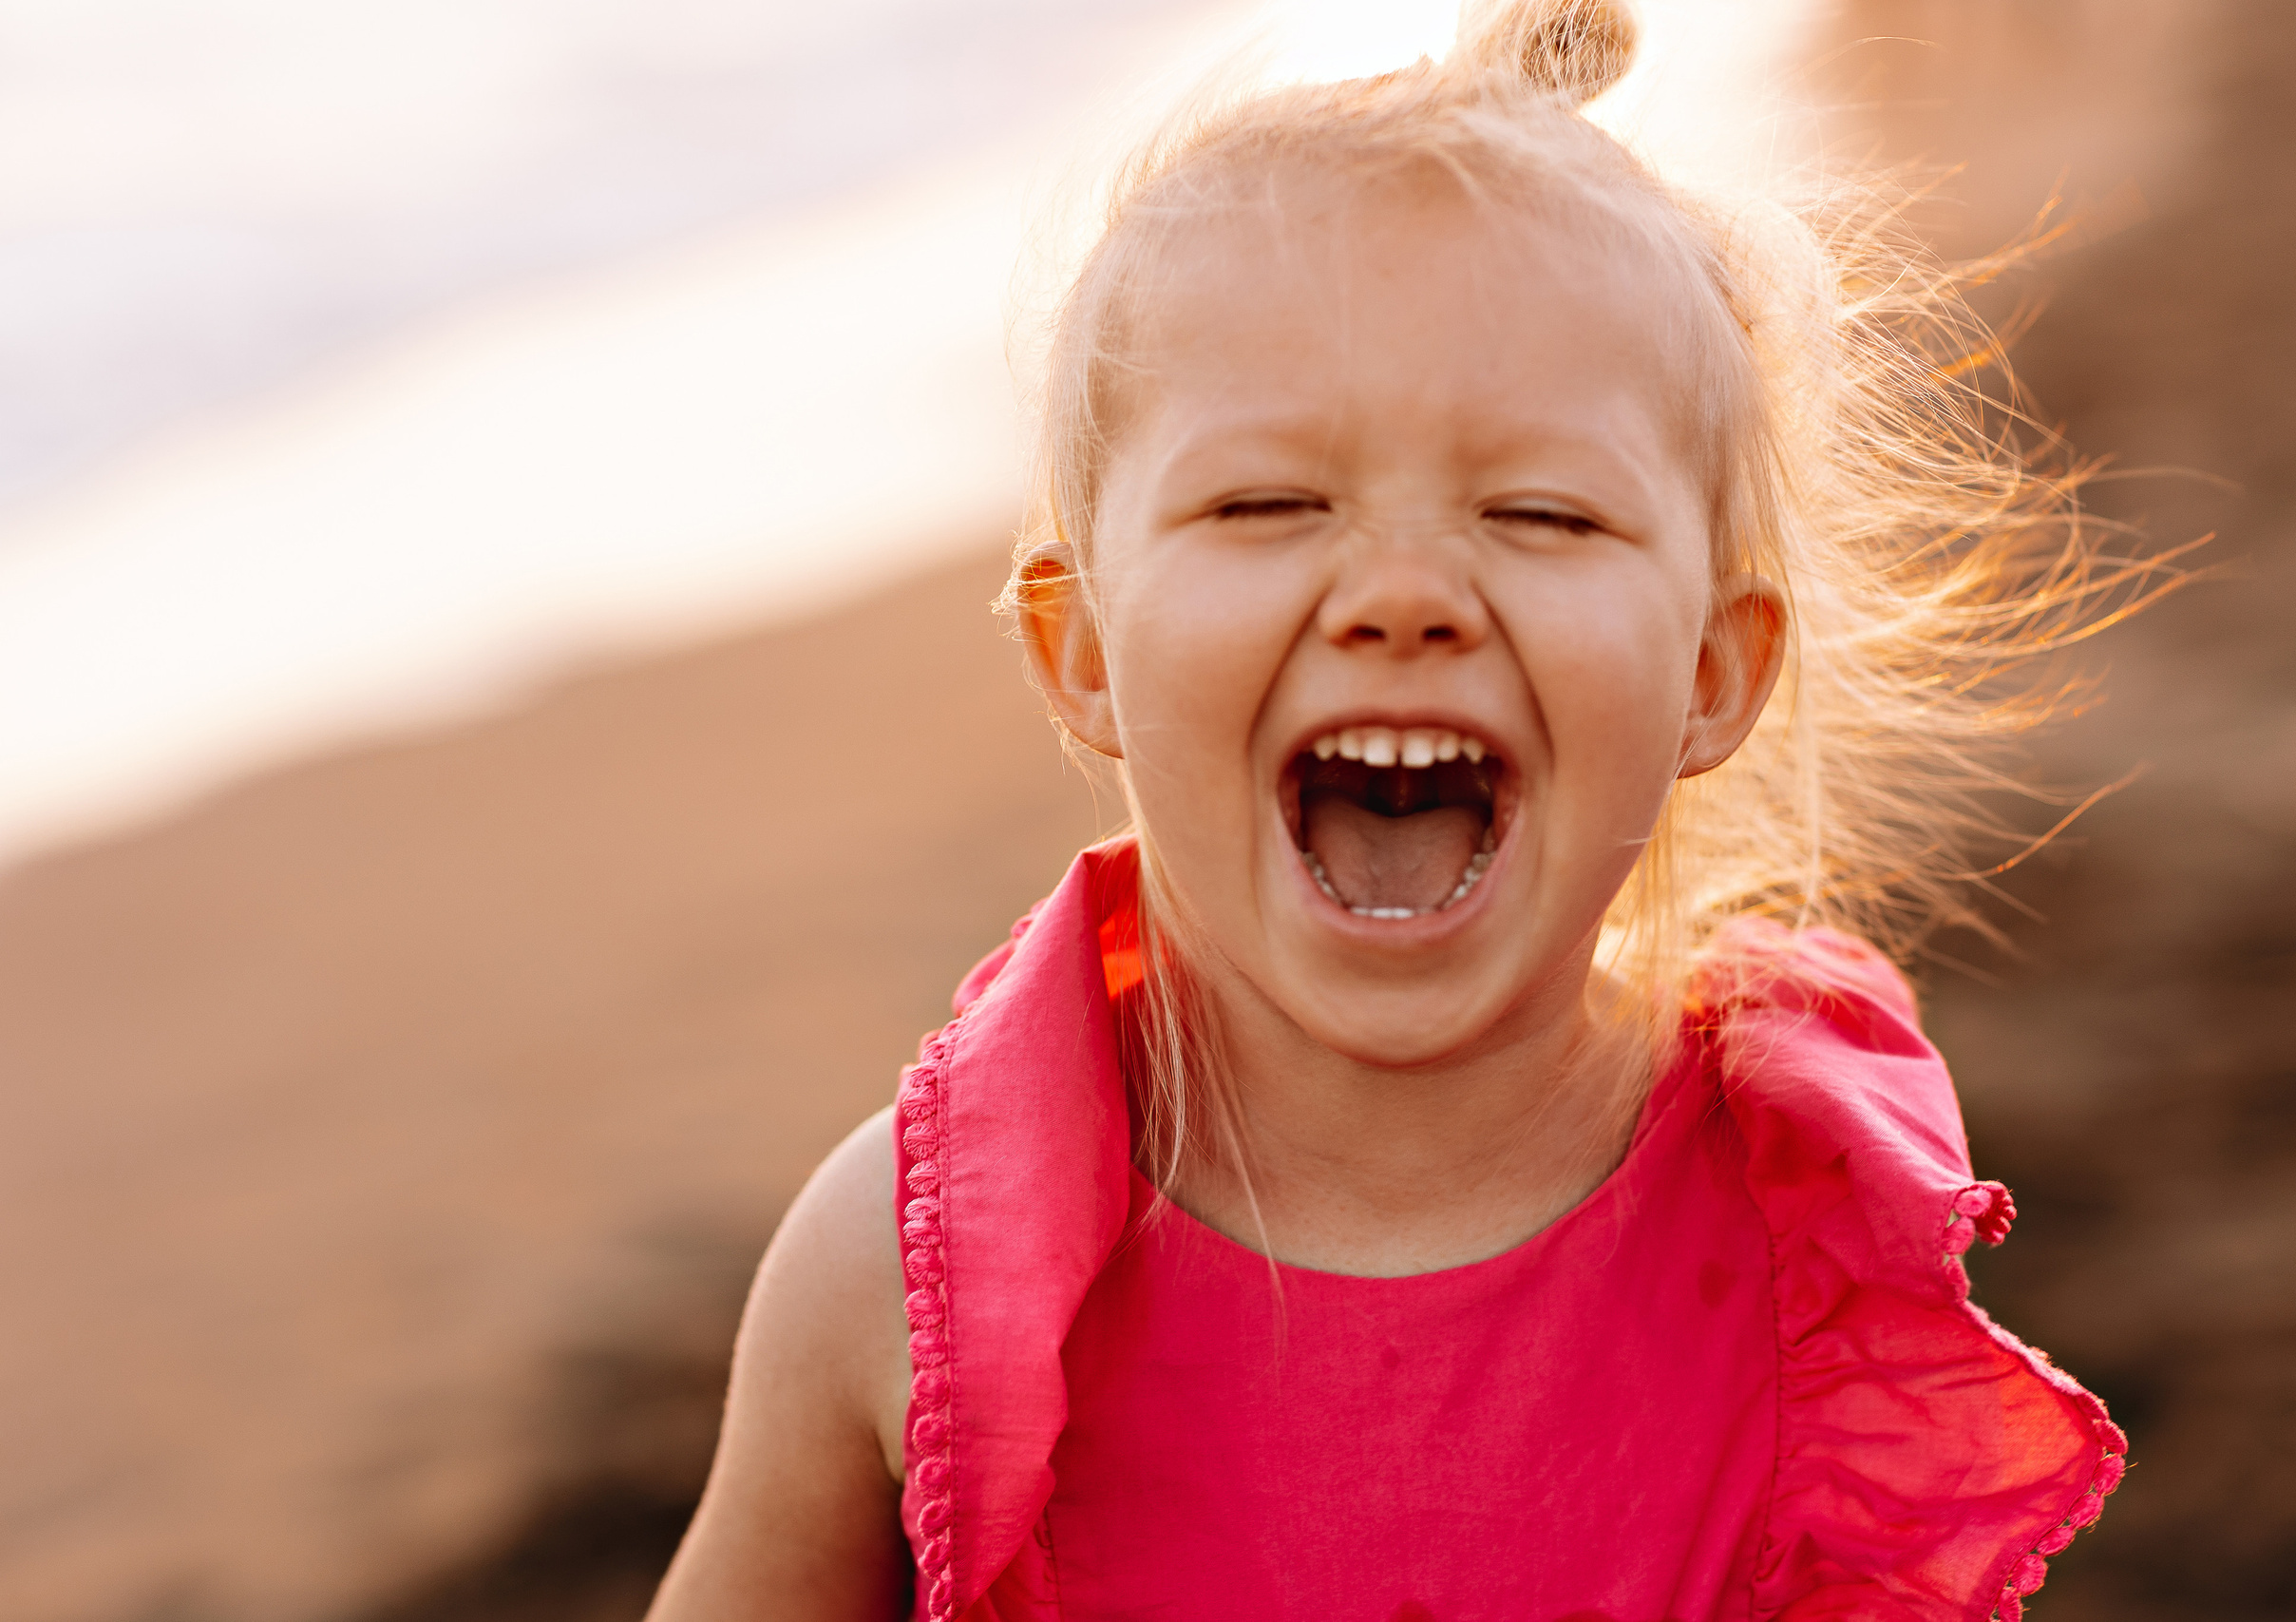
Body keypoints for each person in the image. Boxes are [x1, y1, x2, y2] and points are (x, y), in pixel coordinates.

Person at [648, 2, 2142, 1616]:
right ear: (1081, 647)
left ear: (1714, 672)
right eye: (1271, 501)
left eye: (1542, 511)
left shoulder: (1807, 1230)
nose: (1408, 594)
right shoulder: (908, 1266)